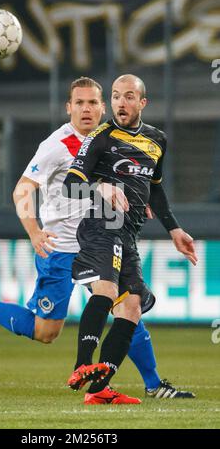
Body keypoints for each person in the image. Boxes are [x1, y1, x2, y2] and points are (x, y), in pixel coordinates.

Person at [0, 76, 195, 401]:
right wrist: (34, 231)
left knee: (127, 307)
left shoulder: (111, 138)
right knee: (46, 331)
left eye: (93, 103)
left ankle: (152, 383)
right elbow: (22, 189)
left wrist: (142, 200)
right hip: (60, 246)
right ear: (68, 107)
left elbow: (136, 174)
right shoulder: (56, 145)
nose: (86, 109)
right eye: (79, 103)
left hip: (102, 239)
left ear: (103, 107)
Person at [63, 74, 198, 404]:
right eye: (116, 96)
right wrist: (100, 186)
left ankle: (99, 388)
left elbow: (155, 187)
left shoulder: (157, 140)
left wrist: (175, 229)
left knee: (132, 307)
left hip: (128, 234)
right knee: (107, 291)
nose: (121, 103)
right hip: (102, 223)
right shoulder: (101, 136)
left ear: (142, 102)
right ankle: (82, 365)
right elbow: (69, 185)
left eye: (128, 96)